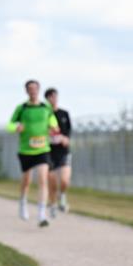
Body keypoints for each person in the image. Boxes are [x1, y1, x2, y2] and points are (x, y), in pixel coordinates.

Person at [8, 80, 59, 228]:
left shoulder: (45, 107)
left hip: (42, 149)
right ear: (26, 91)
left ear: (38, 90)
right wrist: (16, 127)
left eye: (35, 88)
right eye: (29, 89)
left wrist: (54, 128)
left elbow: (53, 121)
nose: (32, 91)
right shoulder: (21, 108)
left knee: (43, 178)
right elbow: (9, 125)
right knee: (26, 181)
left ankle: (41, 214)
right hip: (26, 149)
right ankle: (23, 202)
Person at [44, 87, 72, 216]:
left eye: (55, 96)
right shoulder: (44, 114)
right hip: (49, 152)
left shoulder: (64, 113)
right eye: (51, 97)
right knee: (52, 182)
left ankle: (63, 196)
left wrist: (65, 138)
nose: (54, 99)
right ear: (47, 99)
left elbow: (68, 131)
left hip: (63, 151)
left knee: (65, 180)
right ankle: (53, 204)